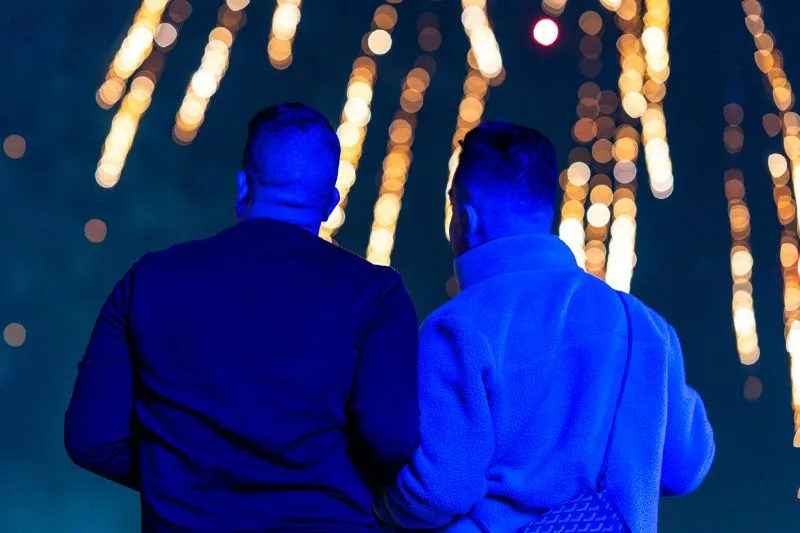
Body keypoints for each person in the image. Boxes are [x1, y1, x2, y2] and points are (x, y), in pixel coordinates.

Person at [65, 103, 420, 532]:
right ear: (330, 203)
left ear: (241, 186)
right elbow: (391, 439)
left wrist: (182, 478)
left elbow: (92, 439)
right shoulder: (377, 294)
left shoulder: (149, 279)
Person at [374, 122, 715, 532]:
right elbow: (684, 466)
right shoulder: (645, 328)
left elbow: (441, 489)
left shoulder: (458, 328)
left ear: (465, 217)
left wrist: (379, 506)